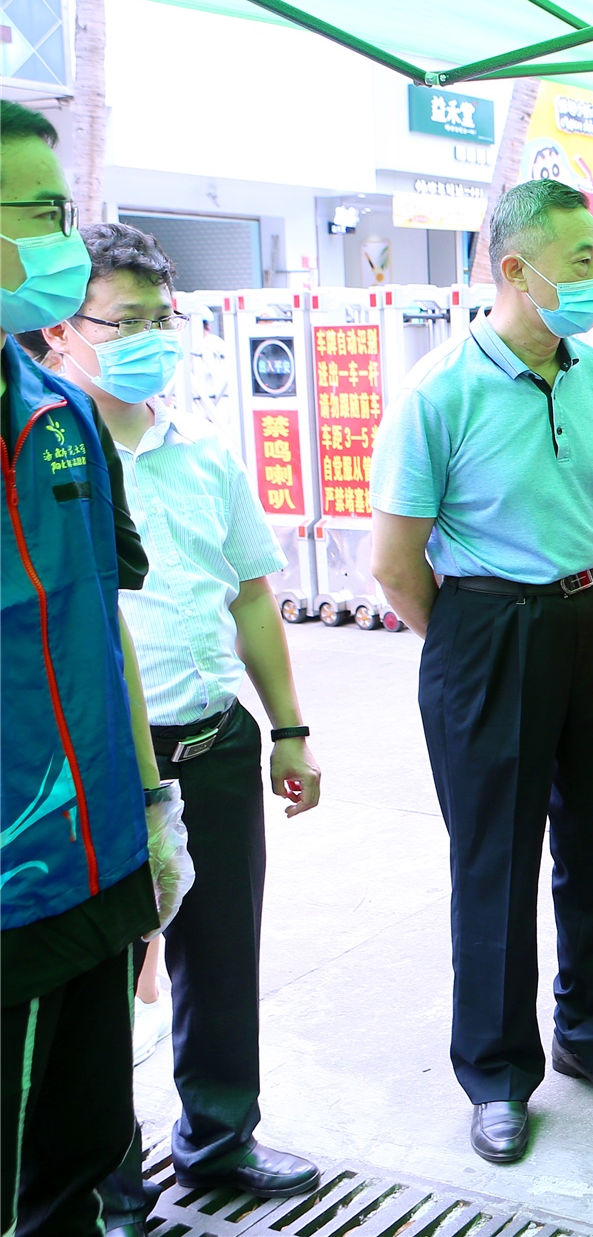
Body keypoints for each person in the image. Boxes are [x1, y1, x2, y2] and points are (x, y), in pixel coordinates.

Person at [22, 222, 326, 1217]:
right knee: (98, 982)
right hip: (105, 757)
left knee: (221, 955)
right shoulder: (48, 449)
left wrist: (285, 726)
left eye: (164, 317)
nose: (153, 337)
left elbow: (250, 595)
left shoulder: (201, 454)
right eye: (129, 320)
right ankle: (107, 1175)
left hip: (216, 738)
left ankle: (220, 1137)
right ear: (61, 331)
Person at [370, 178, 593, 1165]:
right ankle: (496, 1075)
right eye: (580, 258)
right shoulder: (438, 389)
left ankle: (590, 1035)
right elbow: (394, 564)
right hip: (485, 626)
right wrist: (470, 636)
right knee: (494, 860)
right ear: (514, 270)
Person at [1, 100, 188, 1235]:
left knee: (78, 1156)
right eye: (42, 213)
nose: (67, 240)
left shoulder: (62, 410)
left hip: (95, 863)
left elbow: (101, 622)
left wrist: (153, 807)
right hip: (7, 893)